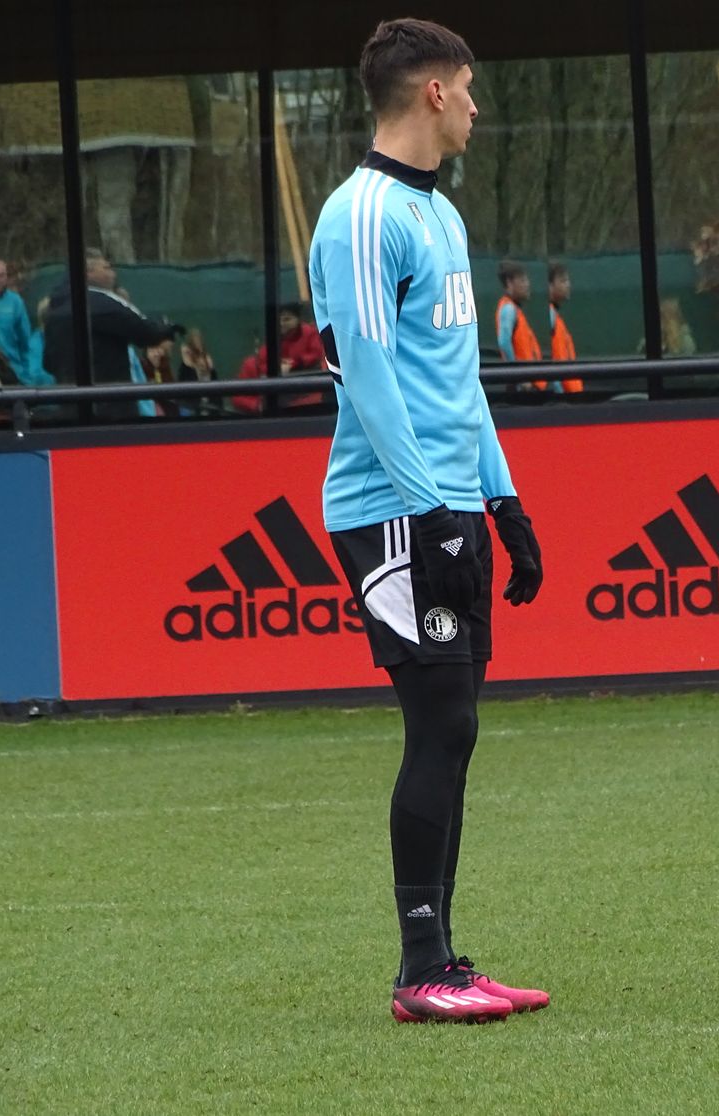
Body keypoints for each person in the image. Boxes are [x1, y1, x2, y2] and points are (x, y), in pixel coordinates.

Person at [309, 16, 548, 1025]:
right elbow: (367, 378)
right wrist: (431, 508)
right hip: (395, 512)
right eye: (470, 88)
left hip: (449, 507)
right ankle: (420, 970)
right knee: (440, 724)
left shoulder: (440, 214)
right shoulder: (361, 214)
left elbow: (458, 383)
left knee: (458, 730)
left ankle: (445, 957)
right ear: (435, 92)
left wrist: (503, 498)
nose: (478, 108)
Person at [42, 249, 181, 420]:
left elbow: (48, 363)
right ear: (88, 272)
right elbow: (145, 332)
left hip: (70, 408)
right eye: (106, 268)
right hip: (111, 407)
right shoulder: (101, 303)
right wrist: (167, 328)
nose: (113, 273)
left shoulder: (54, 310)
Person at [231, 303, 330, 414]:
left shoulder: (311, 335)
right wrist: (259, 405)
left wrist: (293, 364)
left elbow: (316, 354)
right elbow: (238, 396)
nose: (281, 323)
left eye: (287, 319)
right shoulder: (257, 359)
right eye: (278, 320)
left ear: (298, 319)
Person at [494, 259, 545, 391]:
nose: (527, 284)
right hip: (522, 386)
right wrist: (519, 376)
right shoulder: (509, 309)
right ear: (509, 283)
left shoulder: (514, 310)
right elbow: (504, 342)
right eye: (522, 280)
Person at [544, 261, 583, 393]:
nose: (568, 285)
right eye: (563, 281)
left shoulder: (555, 316)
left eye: (567, 280)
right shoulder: (550, 316)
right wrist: (559, 391)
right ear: (550, 286)